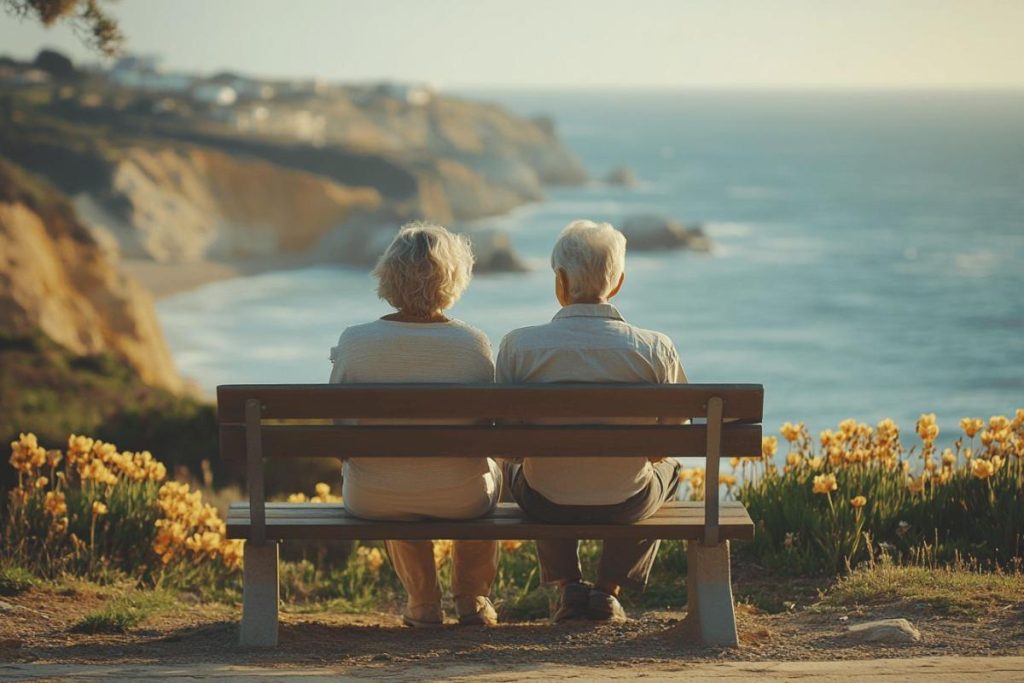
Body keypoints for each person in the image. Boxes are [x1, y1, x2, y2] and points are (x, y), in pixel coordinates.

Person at [496, 219, 685, 623]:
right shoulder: (655, 348)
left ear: (560, 282)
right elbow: (668, 442)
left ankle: (569, 586)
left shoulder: (518, 347)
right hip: (626, 503)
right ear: (618, 284)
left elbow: (509, 446)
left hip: (546, 504)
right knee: (671, 470)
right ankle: (607, 590)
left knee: (524, 469)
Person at [329, 222, 500, 627]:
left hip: (373, 498)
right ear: (454, 280)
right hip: (462, 499)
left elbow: (341, 433)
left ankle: (423, 603)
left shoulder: (355, 342)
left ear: (388, 275)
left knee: (392, 475)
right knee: (491, 470)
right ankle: (472, 598)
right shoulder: (474, 345)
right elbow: (491, 430)